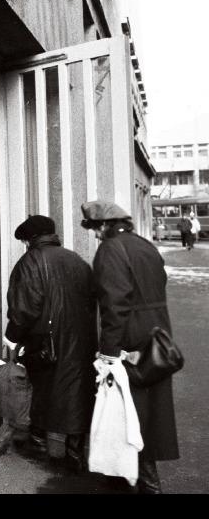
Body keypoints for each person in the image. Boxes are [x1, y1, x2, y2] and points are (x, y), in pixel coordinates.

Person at [81, 200, 179, 494]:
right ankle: (136, 480)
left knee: (127, 414)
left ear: (103, 226)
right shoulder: (144, 245)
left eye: (95, 230)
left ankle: (144, 484)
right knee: (150, 412)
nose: (96, 236)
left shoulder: (111, 250)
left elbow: (115, 304)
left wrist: (109, 352)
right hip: (158, 336)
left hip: (130, 341)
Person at [4, 215, 97, 472]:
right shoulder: (76, 260)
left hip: (48, 345)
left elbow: (24, 309)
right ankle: (75, 451)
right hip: (82, 341)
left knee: (45, 392)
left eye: (24, 240)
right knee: (77, 393)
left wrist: (12, 337)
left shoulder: (30, 262)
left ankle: (39, 443)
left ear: (31, 239)